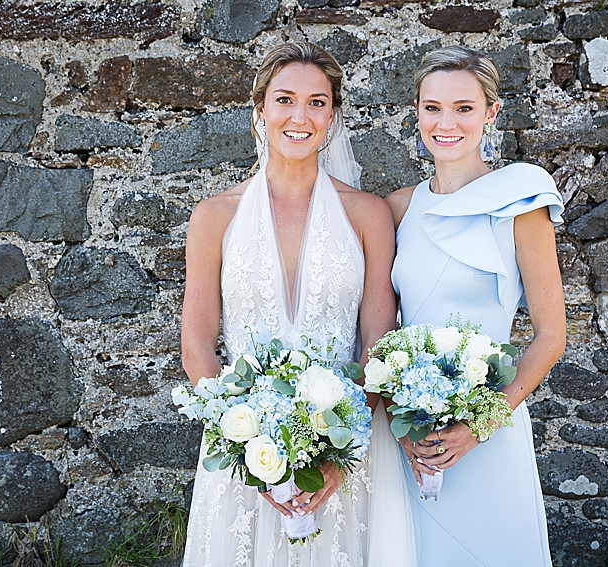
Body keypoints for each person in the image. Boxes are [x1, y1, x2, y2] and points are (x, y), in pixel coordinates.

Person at [180, 42, 415, 567]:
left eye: (317, 102)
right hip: (244, 451)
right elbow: (197, 347)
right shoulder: (214, 216)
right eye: (285, 99)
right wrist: (246, 447)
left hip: (345, 447)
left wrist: (338, 454)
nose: (300, 116)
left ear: (332, 116)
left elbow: (378, 341)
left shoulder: (368, 215)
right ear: (260, 109)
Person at [386, 46, 566, 567]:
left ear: (491, 113)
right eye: (432, 108)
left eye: (464, 108)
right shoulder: (398, 209)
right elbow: (379, 327)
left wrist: (479, 426)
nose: (446, 123)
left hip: (491, 430)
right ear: (416, 112)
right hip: (413, 435)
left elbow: (551, 335)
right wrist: (400, 422)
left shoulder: (521, 204)